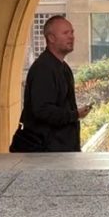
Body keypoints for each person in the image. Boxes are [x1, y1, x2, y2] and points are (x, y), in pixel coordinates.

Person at [15, 16, 91, 152]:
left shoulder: (63, 67)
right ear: (51, 38)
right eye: (65, 33)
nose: (71, 37)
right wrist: (75, 115)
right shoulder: (43, 69)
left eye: (72, 32)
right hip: (46, 153)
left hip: (60, 150)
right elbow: (43, 110)